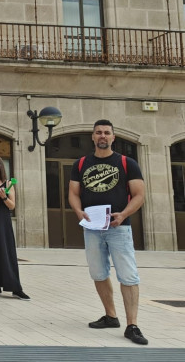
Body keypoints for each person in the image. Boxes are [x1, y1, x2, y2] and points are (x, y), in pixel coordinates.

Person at [68, 119, 148, 345]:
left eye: (106, 133)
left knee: (128, 275)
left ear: (113, 137)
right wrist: (77, 211)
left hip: (119, 228)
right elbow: (73, 192)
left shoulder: (127, 162)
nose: (102, 136)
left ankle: (132, 325)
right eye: (98, 133)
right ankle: (111, 316)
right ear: (92, 137)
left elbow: (140, 194)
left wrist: (123, 214)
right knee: (98, 273)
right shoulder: (81, 163)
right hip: (92, 229)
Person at [0, 155, 29, 301]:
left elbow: (12, 206)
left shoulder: (8, 183)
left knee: (6, 252)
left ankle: (15, 288)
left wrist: (3, 197)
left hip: (3, 221)